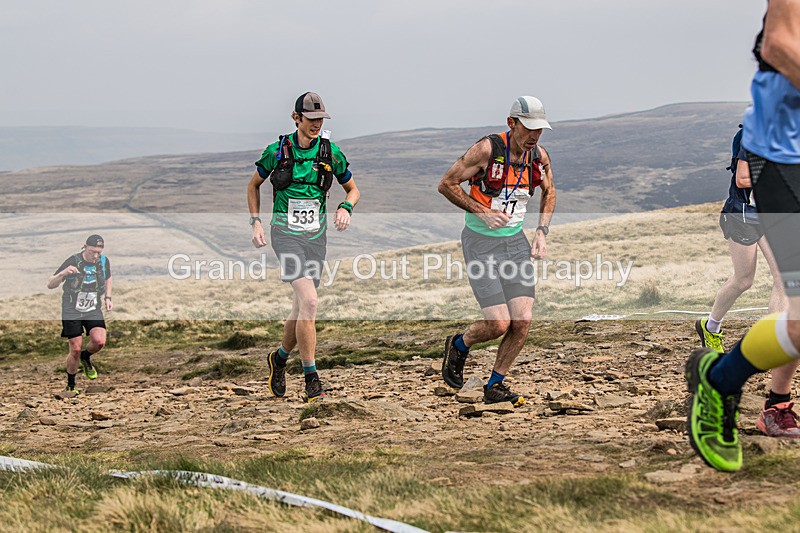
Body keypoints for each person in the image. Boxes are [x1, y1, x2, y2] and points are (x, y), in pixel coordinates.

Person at [686, 0, 800, 471]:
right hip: (782, 158)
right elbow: (778, 43)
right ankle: (727, 379)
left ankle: (755, 393)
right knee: (769, 292)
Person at [437, 96, 556, 406]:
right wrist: (482, 212)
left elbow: (550, 191)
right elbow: (447, 184)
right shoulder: (486, 150)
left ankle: (495, 384)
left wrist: (541, 231)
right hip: (480, 243)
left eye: (539, 130)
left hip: (515, 243)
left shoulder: (539, 157)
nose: (534, 136)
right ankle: (459, 345)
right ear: (511, 123)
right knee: (498, 324)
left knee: (523, 320)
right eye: (529, 128)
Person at [247, 91, 359, 403]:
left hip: (315, 238)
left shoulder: (330, 152)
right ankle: (311, 378)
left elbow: (353, 189)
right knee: (310, 302)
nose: (316, 124)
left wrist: (345, 208)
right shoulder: (277, 151)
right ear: (296, 118)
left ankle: (279, 358)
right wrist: (255, 222)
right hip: (285, 235)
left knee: (301, 307)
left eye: (320, 119)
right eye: (311, 119)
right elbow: (253, 185)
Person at [695, 126, 799, 438]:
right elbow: (743, 179)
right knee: (743, 280)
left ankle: (776, 345)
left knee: (783, 279)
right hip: (742, 213)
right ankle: (711, 326)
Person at [47, 234, 112, 393]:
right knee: (75, 349)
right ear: (85, 247)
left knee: (99, 342)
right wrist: (63, 273)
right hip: (71, 309)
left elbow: (108, 278)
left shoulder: (103, 261)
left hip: (92, 308)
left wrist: (108, 298)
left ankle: (86, 356)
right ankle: (71, 386)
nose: (95, 256)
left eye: (98, 252)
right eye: (92, 252)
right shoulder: (73, 261)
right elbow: (50, 284)